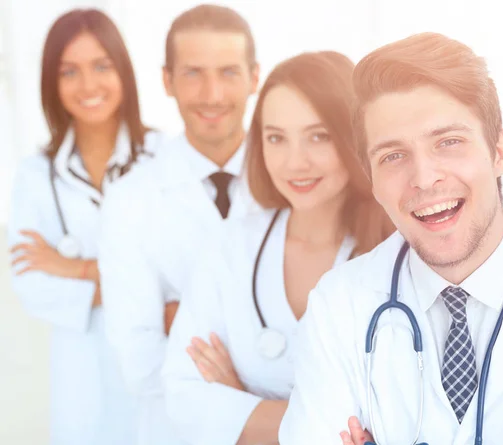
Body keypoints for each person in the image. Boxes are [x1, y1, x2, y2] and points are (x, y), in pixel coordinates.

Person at [279, 33, 503, 445]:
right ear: (372, 180)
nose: (424, 178)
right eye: (392, 156)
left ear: (499, 151)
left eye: (448, 142)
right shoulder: (337, 308)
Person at [162, 50, 394, 445]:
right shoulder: (230, 247)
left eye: (318, 136)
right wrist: (321, 422)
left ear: (355, 135)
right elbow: (184, 397)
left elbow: (402, 417)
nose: (294, 162)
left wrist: (241, 403)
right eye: (276, 138)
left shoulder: (399, 254)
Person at [97, 4, 260, 444]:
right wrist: (258, 372)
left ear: (254, 77)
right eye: (193, 73)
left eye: (228, 72)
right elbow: (139, 363)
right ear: (167, 80)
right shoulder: (130, 200)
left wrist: (184, 319)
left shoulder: (298, 183)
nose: (212, 94)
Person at [7, 9, 161, 445]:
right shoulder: (36, 175)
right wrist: (135, 286)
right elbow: (31, 283)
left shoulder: (164, 158)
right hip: (83, 372)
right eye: (69, 71)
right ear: (51, 84)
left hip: (160, 362)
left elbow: (180, 274)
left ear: (123, 72)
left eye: (101, 66)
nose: (88, 85)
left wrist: (71, 267)